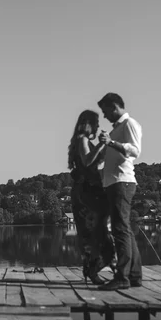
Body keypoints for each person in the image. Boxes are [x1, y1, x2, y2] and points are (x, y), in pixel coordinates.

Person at [97, 93, 143, 290]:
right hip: (116, 183)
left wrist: (110, 143)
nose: (105, 116)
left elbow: (135, 151)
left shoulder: (129, 124)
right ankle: (134, 276)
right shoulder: (116, 129)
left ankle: (122, 278)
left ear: (115, 106)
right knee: (124, 230)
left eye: (106, 111)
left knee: (120, 230)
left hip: (122, 183)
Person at [67, 109, 116, 285]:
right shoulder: (83, 140)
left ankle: (93, 269)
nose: (97, 126)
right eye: (95, 123)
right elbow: (88, 161)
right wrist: (102, 145)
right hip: (86, 193)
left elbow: (97, 162)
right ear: (88, 124)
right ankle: (93, 269)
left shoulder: (84, 141)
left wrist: (106, 146)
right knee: (94, 233)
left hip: (90, 190)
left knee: (96, 233)